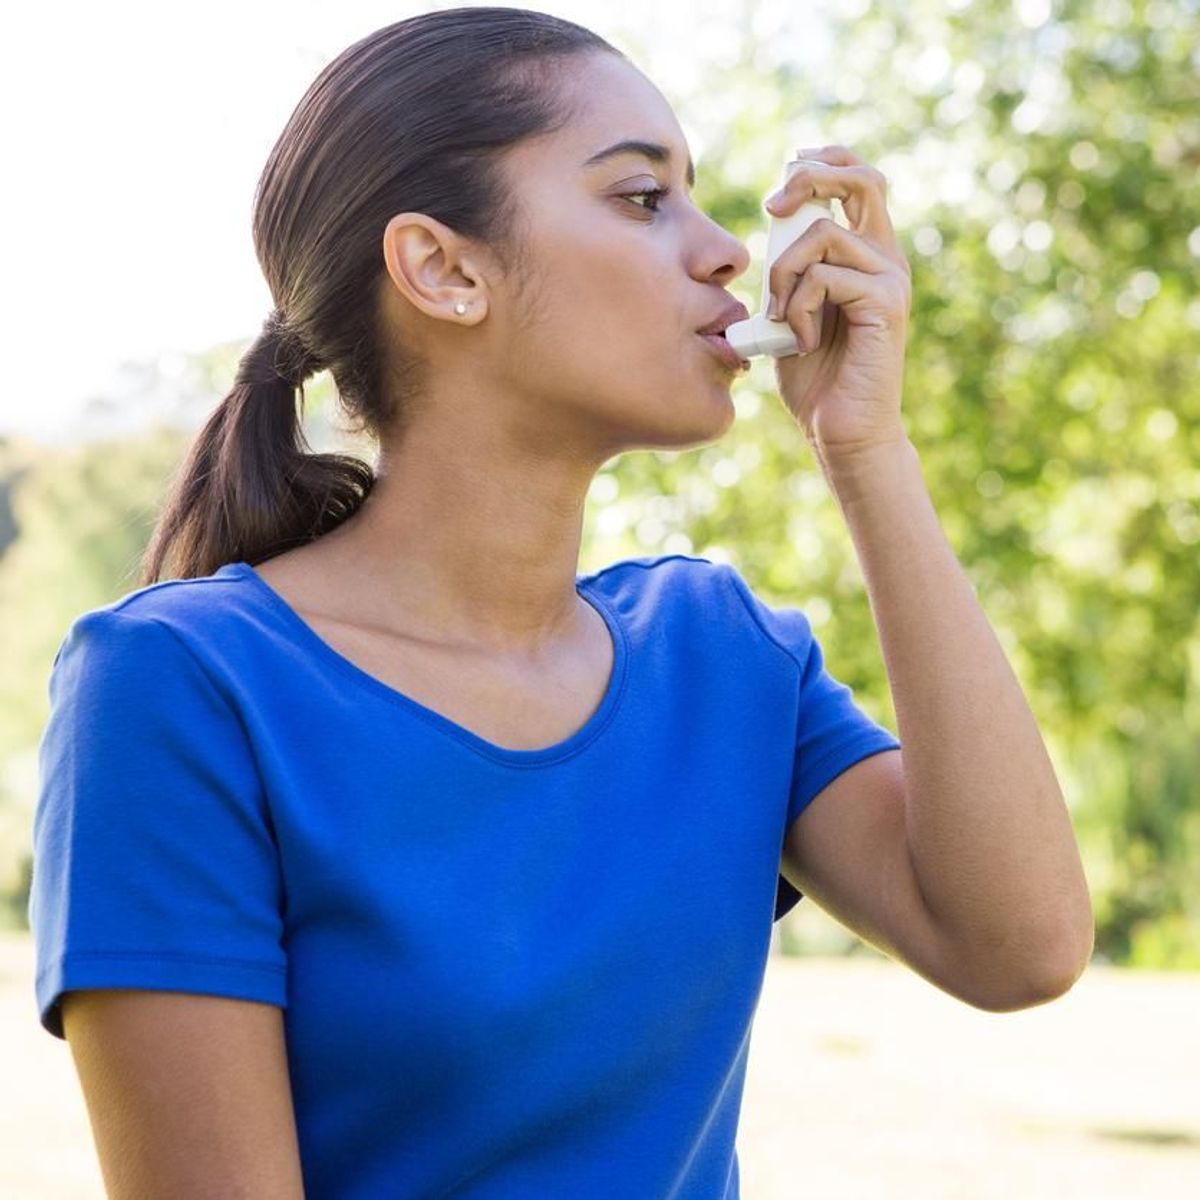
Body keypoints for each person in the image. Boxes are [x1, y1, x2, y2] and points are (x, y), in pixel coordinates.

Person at [28, 6, 1093, 1199]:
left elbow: (1020, 948)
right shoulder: (181, 683)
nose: (729, 250)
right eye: (645, 198)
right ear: (444, 268)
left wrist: (867, 450)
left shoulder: (720, 654)